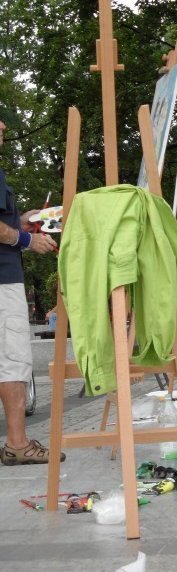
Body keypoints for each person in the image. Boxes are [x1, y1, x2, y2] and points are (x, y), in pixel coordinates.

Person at [0, 118, 63, 465]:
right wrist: (27, 238)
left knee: (9, 359)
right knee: (13, 361)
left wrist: (23, 222)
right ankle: (17, 443)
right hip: (2, 280)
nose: (3, 125)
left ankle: (15, 441)